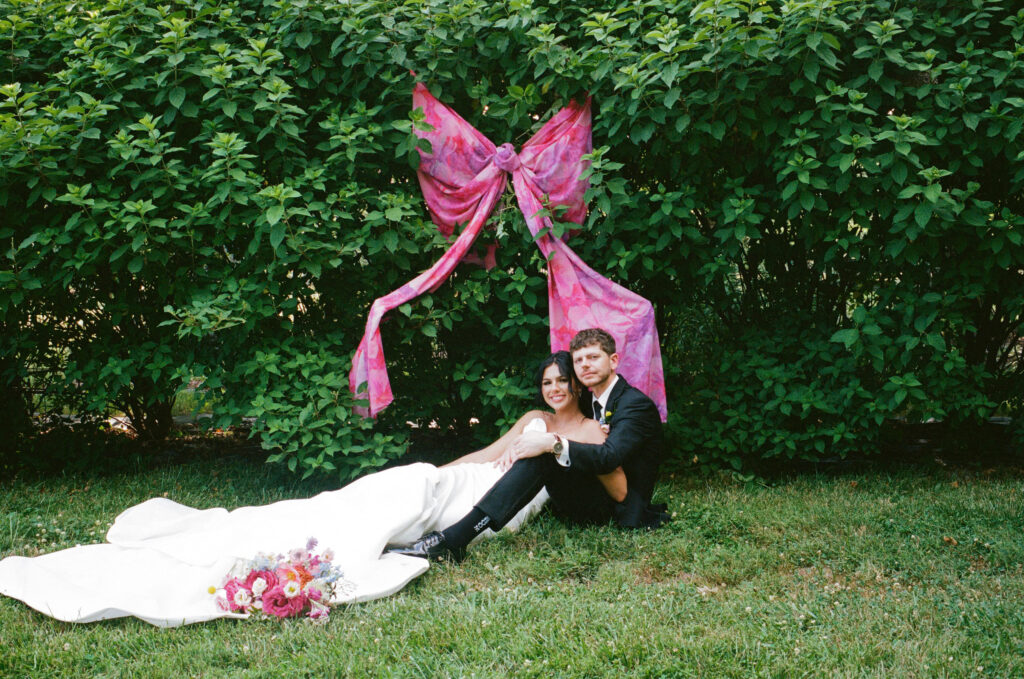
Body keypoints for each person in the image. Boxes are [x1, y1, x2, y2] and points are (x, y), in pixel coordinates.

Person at [0, 349, 635, 627]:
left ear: (579, 385)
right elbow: (492, 453)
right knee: (405, 483)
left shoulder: (587, 428)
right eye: (548, 382)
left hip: (506, 502)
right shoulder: (534, 420)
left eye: (563, 382)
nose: (555, 389)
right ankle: (384, 506)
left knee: (421, 504)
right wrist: (445, 471)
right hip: (469, 480)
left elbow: (601, 471)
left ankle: (447, 531)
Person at [387, 328, 668, 563]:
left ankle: (453, 541)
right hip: (583, 492)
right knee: (546, 454)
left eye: (593, 357)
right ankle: (450, 538)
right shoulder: (591, 403)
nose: (585, 365)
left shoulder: (635, 405)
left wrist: (552, 442)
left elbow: (608, 457)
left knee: (546, 455)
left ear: (614, 361)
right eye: (579, 359)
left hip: (619, 505)